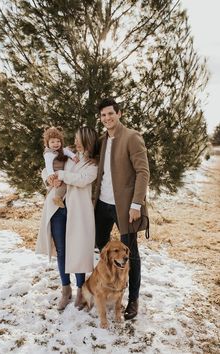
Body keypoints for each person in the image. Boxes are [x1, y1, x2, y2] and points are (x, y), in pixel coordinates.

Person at [94, 98, 150, 320]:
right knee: (102, 246)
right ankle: (111, 285)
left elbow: (143, 172)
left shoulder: (132, 137)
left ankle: (133, 298)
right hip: (103, 204)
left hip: (126, 207)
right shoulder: (102, 140)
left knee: (131, 253)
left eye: (110, 113)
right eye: (103, 115)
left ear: (119, 114)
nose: (107, 118)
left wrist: (136, 204)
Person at [36, 127, 99, 310]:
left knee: (77, 250)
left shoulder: (93, 164)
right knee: (62, 251)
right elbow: (47, 169)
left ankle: (81, 290)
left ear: (88, 141)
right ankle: (66, 290)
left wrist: (62, 175)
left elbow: (81, 179)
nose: (76, 142)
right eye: (75, 139)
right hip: (58, 208)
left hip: (77, 212)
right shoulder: (68, 155)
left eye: (79, 139)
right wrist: (49, 179)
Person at [43, 126, 78, 208]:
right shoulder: (49, 153)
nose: (56, 144)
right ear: (47, 144)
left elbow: (68, 152)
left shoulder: (62, 150)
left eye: (58, 141)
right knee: (61, 185)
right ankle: (57, 198)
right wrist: (51, 174)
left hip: (60, 172)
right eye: (52, 142)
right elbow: (47, 165)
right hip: (55, 172)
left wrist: (74, 157)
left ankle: (55, 197)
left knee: (60, 184)